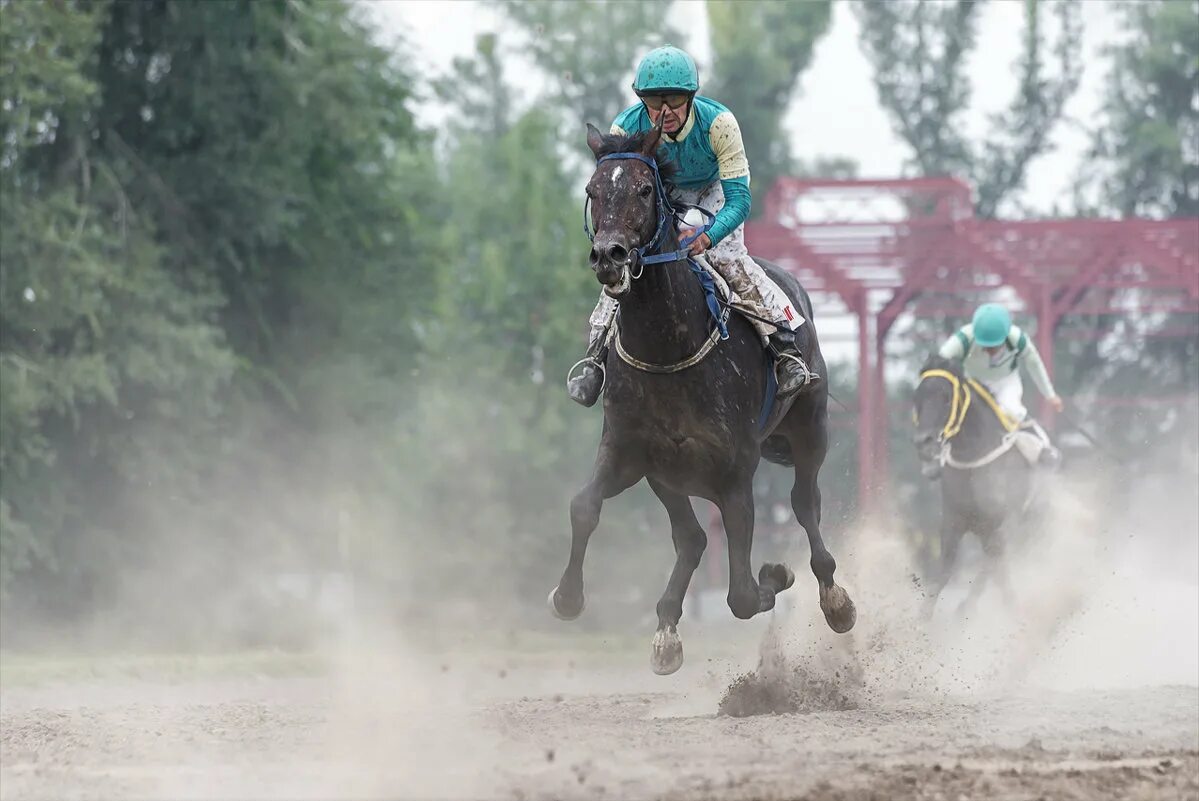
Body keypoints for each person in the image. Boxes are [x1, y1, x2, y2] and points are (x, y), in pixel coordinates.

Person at [567, 44, 818, 407]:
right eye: (654, 101)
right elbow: (620, 191)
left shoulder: (719, 123)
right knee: (620, 264)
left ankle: (785, 349)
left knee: (730, 259)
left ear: (691, 96)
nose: (664, 111)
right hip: (660, 191)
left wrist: (709, 236)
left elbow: (740, 200)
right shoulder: (624, 126)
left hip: (715, 191)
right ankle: (595, 359)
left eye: (674, 99)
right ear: (641, 99)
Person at [937, 302, 1064, 465]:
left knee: (1012, 409)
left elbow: (1035, 365)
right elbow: (938, 363)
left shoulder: (1018, 338)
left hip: (1005, 382)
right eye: (985, 345)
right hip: (971, 383)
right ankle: (938, 455)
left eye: (995, 345)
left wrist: (1050, 395)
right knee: (956, 414)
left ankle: (1043, 448)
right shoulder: (963, 339)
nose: (990, 350)